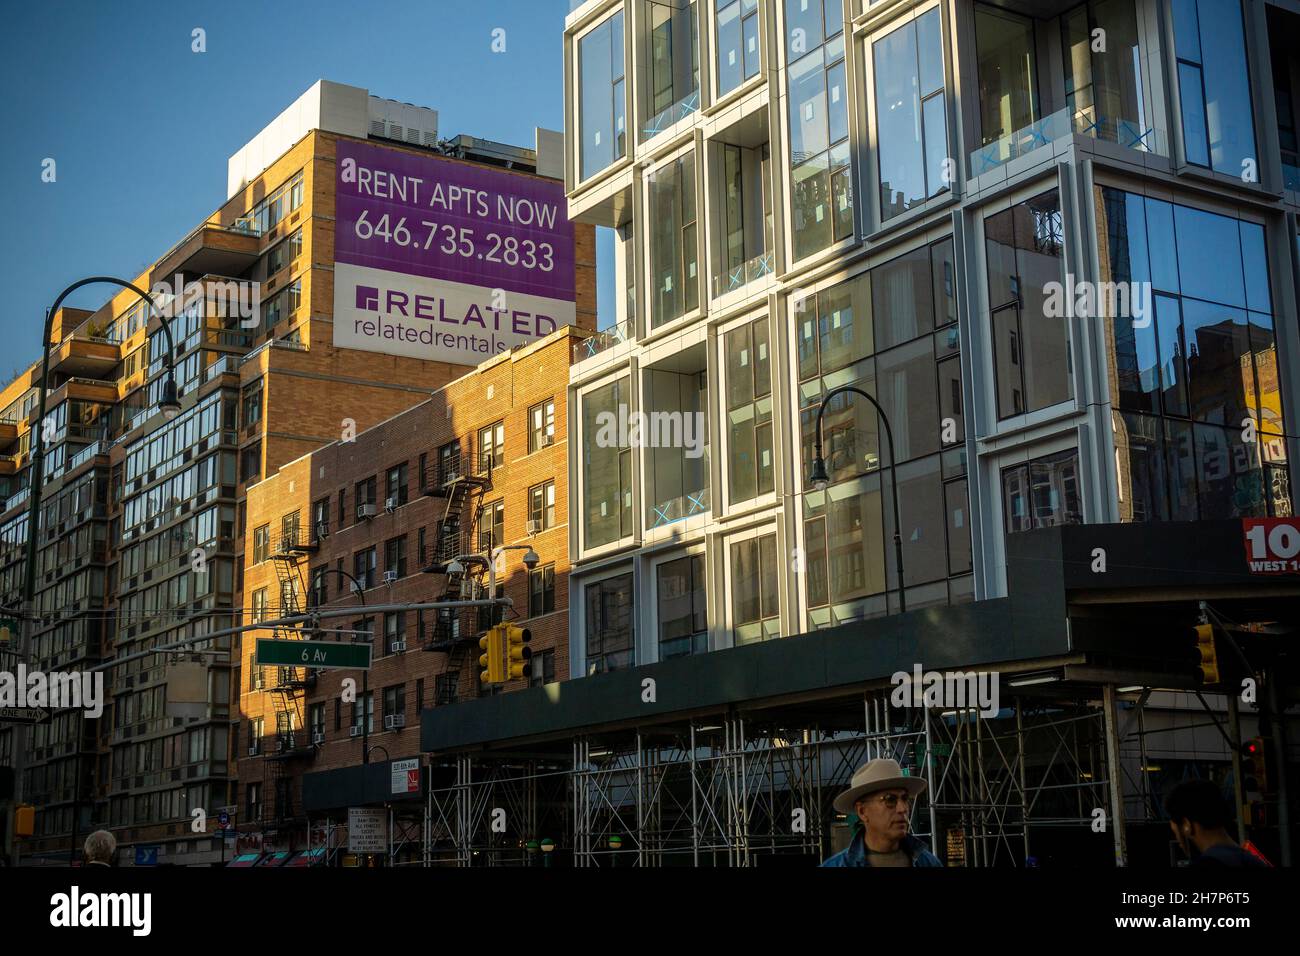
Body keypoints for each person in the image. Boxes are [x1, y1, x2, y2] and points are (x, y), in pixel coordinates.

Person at [822, 758, 941, 867]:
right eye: (890, 799)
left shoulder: (928, 863)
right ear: (862, 811)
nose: (902, 808)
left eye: (905, 798)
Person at [1164, 779, 1268, 867]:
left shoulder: (1207, 863)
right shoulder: (1255, 862)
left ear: (1187, 825)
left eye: (1176, 832)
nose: (1180, 844)